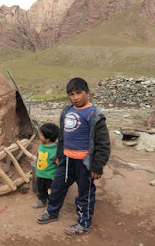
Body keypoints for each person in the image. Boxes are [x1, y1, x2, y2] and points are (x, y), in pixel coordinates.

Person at [37, 77, 110, 236]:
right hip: (66, 160)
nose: (75, 97)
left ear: (87, 93)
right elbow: (62, 136)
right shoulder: (67, 111)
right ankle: (52, 212)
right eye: (71, 94)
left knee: (85, 193)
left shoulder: (94, 115)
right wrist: (59, 154)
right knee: (57, 187)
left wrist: (97, 166)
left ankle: (84, 223)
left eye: (79, 93)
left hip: (84, 163)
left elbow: (103, 144)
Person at [31, 122, 59, 209]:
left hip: (50, 177)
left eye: (41, 134)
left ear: (48, 138)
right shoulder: (41, 146)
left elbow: (58, 163)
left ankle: (52, 203)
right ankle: (42, 200)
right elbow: (38, 157)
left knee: (50, 190)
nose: (39, 136)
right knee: (41, 189)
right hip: (40, 174)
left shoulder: (55, 150)